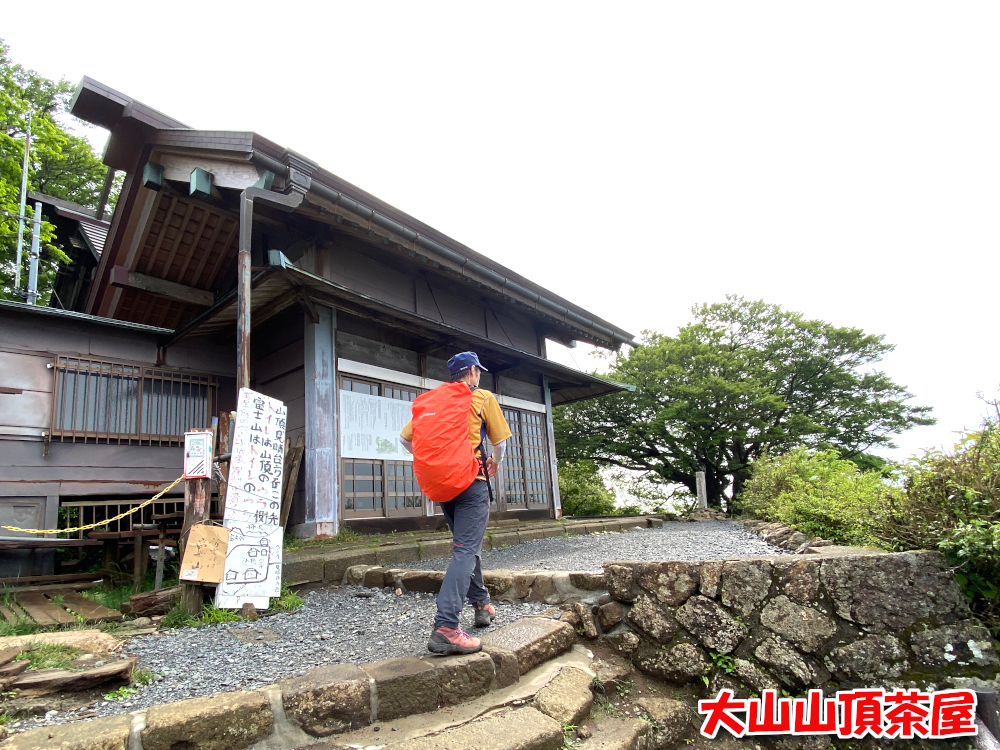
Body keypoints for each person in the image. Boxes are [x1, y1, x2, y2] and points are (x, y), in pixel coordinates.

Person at [400, 351, 511, 655]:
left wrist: (438, 460)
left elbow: (405, 440)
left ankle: (481, 603)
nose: (480, 375)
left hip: (443, 486)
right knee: (466, 550)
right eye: (479, 371)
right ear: (473, 371)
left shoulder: (434, 399)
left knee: (466, 546)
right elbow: (500, 442)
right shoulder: (482, 397)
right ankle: (446, 626)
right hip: (472, 482)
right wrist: (494, 461)